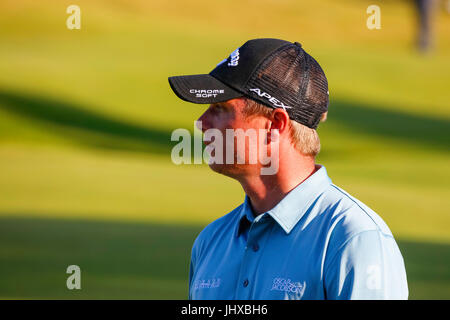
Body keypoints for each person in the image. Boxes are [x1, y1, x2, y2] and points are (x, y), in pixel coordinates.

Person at [168, 38, 408, 300]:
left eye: (220, 108)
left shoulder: (354, 240)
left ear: (275, 125)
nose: (202, 123)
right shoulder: (210, 242)